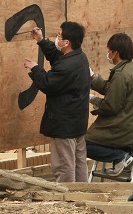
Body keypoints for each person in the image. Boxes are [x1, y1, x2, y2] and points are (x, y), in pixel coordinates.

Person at [24, 22, 91, 183]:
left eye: (59, 35)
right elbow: (58, 59)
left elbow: (48, 83)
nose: (57, 37)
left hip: (64, 125)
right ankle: (83, 195)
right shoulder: (79, 57)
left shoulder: (68, 66)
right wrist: (41, 40)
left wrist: (35, 68)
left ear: (66, 42)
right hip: (77, 123)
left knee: (64, 165)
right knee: (79, 163)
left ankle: (68, 200)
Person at [87, 33, 133, 175]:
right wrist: (93, 78)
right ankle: (125, 155)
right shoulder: (132, 69)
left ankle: (120, 157)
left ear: (115, 53)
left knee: (83, 144)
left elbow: (111, 105)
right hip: (130, 125)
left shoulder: (121, 74)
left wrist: (91, 99)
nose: (108, 54)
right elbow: (112, 89)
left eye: (109, 51)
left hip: (122, 128)